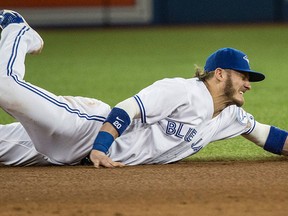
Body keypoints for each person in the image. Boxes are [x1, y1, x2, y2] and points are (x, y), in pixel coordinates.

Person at [0, 10, 287, 168]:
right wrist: (99, 148)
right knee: (6, 87)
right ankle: (18, 30)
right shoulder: (182, 91)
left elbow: (269, 137)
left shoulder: (230, 117)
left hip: (67, 156)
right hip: (82, 128)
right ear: (220, 74)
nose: (248, 84)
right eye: (243, 76)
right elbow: (126, 109)